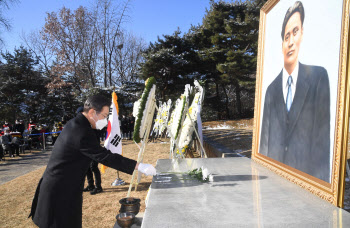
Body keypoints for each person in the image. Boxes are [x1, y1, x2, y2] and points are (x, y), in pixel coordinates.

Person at [29, 94, 156, 228]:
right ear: (91, 112)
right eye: (104, 115)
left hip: (65, 187)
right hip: (60, 191)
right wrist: (138, 166)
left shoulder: (78, 124)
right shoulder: (81, 131)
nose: (105, 120)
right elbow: (105, 156)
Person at [259, 1, 330, 182]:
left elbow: (322, 148)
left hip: (306, 189)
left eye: (295, 32)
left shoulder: (318, 78)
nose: (290, 42)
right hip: (273, 184)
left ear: (302, 33)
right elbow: (264, 146)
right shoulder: (270, 91)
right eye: (286, 36)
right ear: (282, 42)